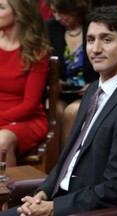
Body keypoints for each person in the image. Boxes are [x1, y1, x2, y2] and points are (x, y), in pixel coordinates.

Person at [0, 5, 117, 216]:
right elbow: (68, 158)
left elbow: (116, 190)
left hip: (83, 211)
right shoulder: (94, 89)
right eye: (91, 40)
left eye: (106, 39)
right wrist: (42, 194)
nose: (95, 49)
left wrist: (54, 207)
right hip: (59, 201)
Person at [0, 0, 51, 167]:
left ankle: (7, 193)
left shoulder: (35, 50)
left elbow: (30, 105)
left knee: (2, 142)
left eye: (1, 7)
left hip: (26, 119)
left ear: (18, 14)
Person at [45, 0, 99, 148]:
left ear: (74, 9)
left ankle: (66, 164)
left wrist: (94, 85)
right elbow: (42, 63)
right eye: (54, 12)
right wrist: (52, 80)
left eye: (61, 12)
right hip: (59, 93)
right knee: (56, 111)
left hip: (86, 91)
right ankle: (52, 164)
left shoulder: (94, 28)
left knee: (72, 112)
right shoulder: (50, 28)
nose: (57, 17)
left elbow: (106, 63)